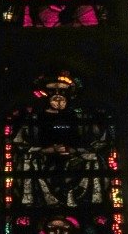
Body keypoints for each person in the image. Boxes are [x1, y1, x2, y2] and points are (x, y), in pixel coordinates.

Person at [11, 74, 110, 206]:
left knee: (94, 158)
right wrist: (47, 150)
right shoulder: (34, 118)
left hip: (76, 158)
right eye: (53, 91)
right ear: (46, 94)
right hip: (43, 159)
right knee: (27, 159)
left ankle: (92, 203)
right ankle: (34, 203)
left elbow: (100, 140)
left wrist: (75, 150)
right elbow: (20, 142)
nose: (57, 96)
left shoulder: (81, 117)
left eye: (62, 91)